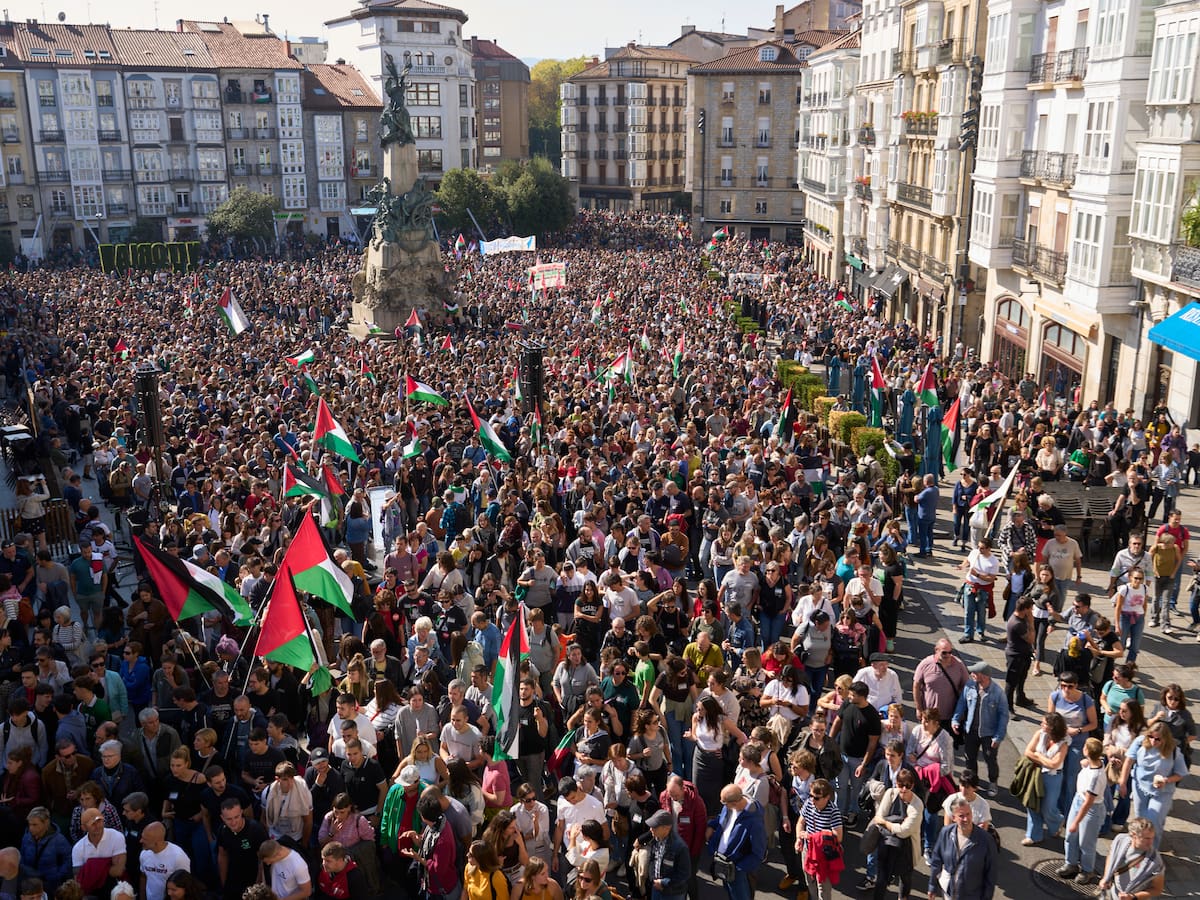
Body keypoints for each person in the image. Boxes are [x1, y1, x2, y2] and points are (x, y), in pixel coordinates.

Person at [1117, 722, 1187, 851]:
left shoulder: (1173, 751)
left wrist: (1166, 780)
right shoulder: (1140, 742)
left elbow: (1180, 773)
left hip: (1162, 791)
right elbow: (1129, 761)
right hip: (1140, 786)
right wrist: (1122, 782)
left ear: (1165, 739)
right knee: (1141, 822)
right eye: (1151, 736)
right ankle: (1138, 849)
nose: (1153, 741)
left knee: (1154, 822)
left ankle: (1151, 853)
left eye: (1158, 739)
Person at [951, 662, 1008, 797]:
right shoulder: (970, 686)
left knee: (990, 760)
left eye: (975, 673)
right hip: (971, 731)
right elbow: (961, 703)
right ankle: (972, 783)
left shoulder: (998, 693)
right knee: (970, 759)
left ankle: (993, 782)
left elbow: (1004, 716)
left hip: (989, 734)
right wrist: (955, 720)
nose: (972, 675)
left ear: (984, 676)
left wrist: (998, 737)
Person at [828, 681, 881, 825]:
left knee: (856, 788)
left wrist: (864, 764)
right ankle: (839, 814)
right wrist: (830, 743)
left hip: (858, 759)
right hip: (841, 754)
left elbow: (872, 743)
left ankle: (853, 812)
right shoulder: (847, 704)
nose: (849, 696)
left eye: (853, 695)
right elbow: (837, 722)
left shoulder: (872, 716)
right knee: (840, 786)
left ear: (862, 697)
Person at [1057, 737, 1108, 885]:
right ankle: (1071, 864)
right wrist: (1085, 763)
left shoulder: (1096, 777)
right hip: (1078, 800)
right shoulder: (1095, 764)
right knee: (1070, 836)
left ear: (1087, 751)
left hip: (1091, 809)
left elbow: (1088, 802)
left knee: (1086, 843)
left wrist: (1076, 822)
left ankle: (1087, 870)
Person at [867, 768, 923, 900]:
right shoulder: (891, 794)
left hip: (907, 848)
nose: (903, 789)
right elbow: (879, 817)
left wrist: (887, 823)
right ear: (896, 783)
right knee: (882, 878)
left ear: (912, 785)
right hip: (887, 844)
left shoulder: (917, 805)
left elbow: (904, 832)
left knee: (905, 876)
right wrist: (898, 824)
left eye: (907, 785)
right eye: (900, 784)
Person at [927, 798, 997, 900]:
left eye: (968, 814)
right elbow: (936, 861)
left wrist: (987, 897)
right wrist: (932, 886)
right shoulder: (946, 833)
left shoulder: (986, 840)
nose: (966, 819)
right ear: (953, 818)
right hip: (948, 893)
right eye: (961, 816)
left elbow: (991, 873)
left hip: (972, 896)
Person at [705, 784, 765, 900]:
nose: (722, 805)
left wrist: (738, 869)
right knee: (730, 893)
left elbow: (758, 853)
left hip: (737, 870)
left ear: (734, 803)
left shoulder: (754, 821)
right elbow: (721, 818)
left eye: (724, 803)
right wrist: (711, 825)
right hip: (723, 863)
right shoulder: (729, 807)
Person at [1020, 712, 1069, 846]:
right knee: (1032, 803)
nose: (1041, 725)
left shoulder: (1063, 744)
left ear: (1053, 727)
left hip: (1053, 778)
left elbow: (1054, 764)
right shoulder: (1039, 734)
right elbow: (1028, 752)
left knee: (1048, 807)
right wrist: (1044, 760)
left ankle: (1057, 822)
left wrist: (1039, 756)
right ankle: (1033, 835)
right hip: (1036, 773)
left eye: (1045, 723)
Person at [795, 777, 842, 900]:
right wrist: (799, 838)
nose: (812, 800)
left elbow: (838, 836)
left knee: (823, 886)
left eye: (816, 798)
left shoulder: (833, 811)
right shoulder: (808, 804)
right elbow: (801, 822)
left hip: (823, 855)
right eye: (811, 796)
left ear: (827, 797)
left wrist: (812, 837)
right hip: (808, 850)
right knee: (809, 880)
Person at [1097, 818, 1166, 900]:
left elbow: (1157, 889)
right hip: (1113, 893)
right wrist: (1106, 877)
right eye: (1146, 838)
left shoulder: (1155, 861)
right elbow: (1111, 857)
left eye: (1152, 838)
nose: (1151, 842)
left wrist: (1133, 897)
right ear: (1133, 835)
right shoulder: (1120, 840)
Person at [137, 822, 188, 900]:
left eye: (145, 839)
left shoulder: (179, 857)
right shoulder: (144, 854)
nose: (140, 841)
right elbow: (143, 877)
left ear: (157, 842)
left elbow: (186, 885)